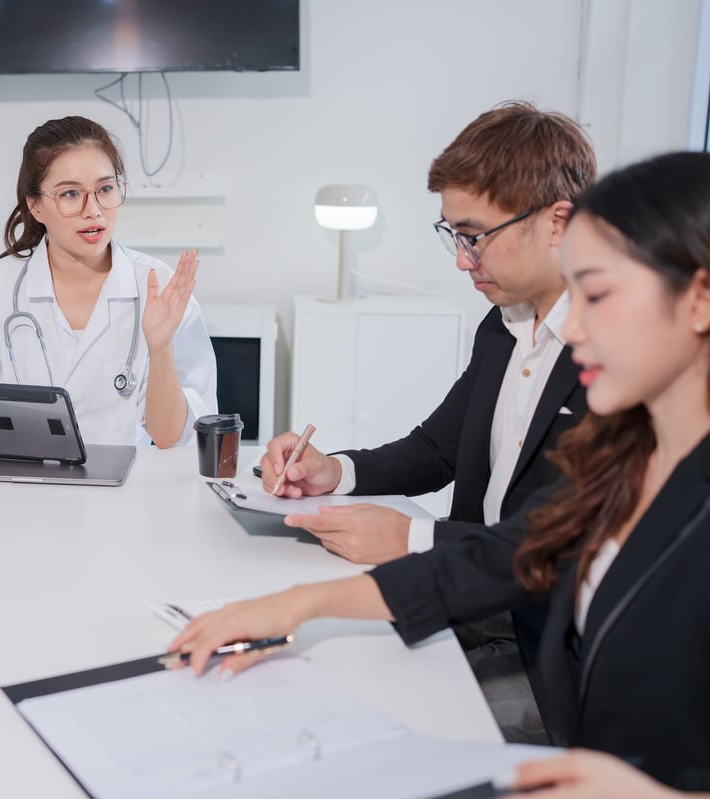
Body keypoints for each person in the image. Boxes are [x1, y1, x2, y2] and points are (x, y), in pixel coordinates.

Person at [172, 151, 710, 792]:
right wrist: (294, 606)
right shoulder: (630, 454)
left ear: (699, 298)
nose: (577, 327)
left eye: (597, 295)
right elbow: (510, 550)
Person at [264, 102, 597, 741]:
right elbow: (438, 448)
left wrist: (414, 541)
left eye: (475, 236)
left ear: (558, 222)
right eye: (452, 236)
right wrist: (334, 471)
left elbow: (564, 545)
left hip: (543, 652)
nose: (461, 260)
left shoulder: (614, 356)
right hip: (469, 605)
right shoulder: (503, 328)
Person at [0, 116, 217, 449]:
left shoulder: (160, 287)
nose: (94, 210)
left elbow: (171, 438)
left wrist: (160, 347)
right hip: (21, 486)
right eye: (71, 193)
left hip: (125, 493)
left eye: (105, 189)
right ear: (36, 206)